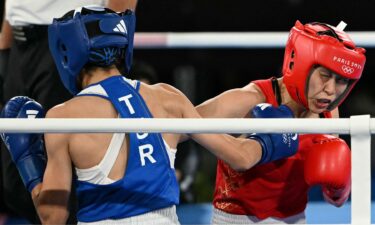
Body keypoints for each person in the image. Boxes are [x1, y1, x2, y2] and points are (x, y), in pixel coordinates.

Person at [0, 6, 299, 224]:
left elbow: (52, 217)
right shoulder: (167, 97)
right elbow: (242, 157)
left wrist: (28, 161)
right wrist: (277, 133)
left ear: (67, 53)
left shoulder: (64, 119)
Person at [196, 20, 366, 224]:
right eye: (324, 76)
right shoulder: (251, 99)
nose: (331, 90)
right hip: (234, 219)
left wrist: (338, 189)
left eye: (341, 81)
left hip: (295, 219)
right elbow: (179, 124)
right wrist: (237, 148)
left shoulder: (328, 113)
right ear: (302, 65)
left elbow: (335, 200)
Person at [0, 0, 137, 224]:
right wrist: (4, 48)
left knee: (67, 179)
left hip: (74, 39)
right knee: (14, 183)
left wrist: (111, 47)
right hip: (19, 42)